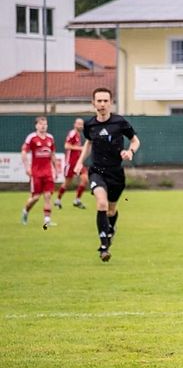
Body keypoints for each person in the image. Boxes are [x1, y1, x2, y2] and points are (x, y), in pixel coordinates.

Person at [74, 87, 141, 262]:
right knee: (101, 204)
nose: (102, 104)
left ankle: (110, 229)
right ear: (93, 103)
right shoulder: (90, 125)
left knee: (111, 210)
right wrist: (80, 162)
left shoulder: (120, 122)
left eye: (105, 101)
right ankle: (104, 246)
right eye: (99, 101)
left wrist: (130, 152)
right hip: (97, 171)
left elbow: (135, 140)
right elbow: (88, 143)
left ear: (110, 103)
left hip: (116, 173)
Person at [20, 116, 57, 229]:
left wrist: (55, 169)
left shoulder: (50, 138)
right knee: (36, 197)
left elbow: (53, 154)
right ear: (36, 125)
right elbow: (24, 152)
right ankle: (25, 211)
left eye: (45, 124)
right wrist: (27, 168)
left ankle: (47, 220)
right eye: (41, 124)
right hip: (36, 173)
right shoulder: (32, 138)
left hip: (48, 173)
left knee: (47, 196)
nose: (43, 126)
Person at [55, 118, 89, 210]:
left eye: (82, 124)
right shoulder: (72, 133)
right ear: (74, 124)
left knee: (85, 179)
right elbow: (66, 145)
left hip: (78, 162)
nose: (80, 126)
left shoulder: (78, 135)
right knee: (67, 183)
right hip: (70, 163)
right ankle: (58, 200)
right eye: (78, 124)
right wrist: (80, 148)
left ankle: (77, 200)